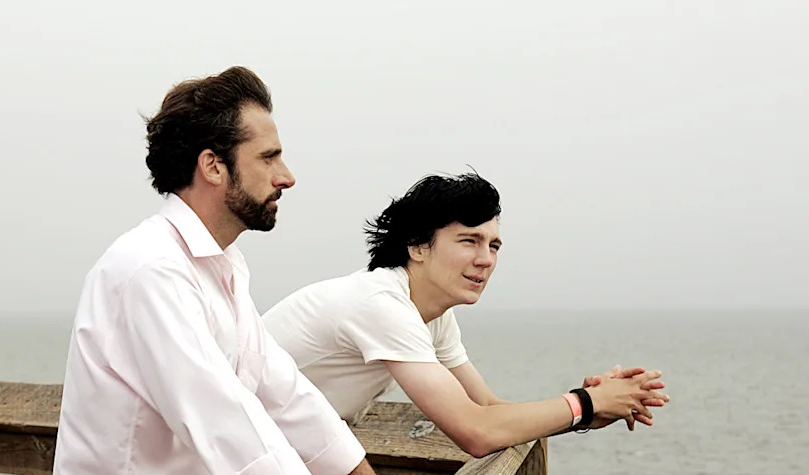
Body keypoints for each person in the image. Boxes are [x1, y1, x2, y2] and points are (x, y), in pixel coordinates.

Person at [40, 67, 448, 475]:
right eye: (269, 158)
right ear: (213, 165)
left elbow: (285, 395)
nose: (287, 177)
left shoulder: (221, 268)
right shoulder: (148, 271)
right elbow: (224, 416)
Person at [263, 172, 671, 455]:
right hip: (224, 463)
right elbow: (475, 433)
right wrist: (585, 402)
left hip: (261, 464)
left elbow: (489, 408)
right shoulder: (380, 306)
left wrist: (589, 411)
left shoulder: (430, 314)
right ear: (418, 247)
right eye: (469, 241)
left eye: (493, 246)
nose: (485, 259)